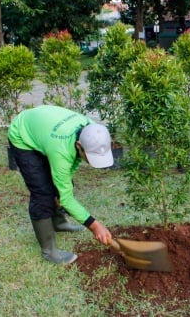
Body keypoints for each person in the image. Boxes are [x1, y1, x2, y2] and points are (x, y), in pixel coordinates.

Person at [8, 105, 114, 264]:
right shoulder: (61, 150)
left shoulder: (92, 131)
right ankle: (49, 251)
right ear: (79, 146)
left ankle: (59, 223)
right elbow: (66, 198)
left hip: (46, 131)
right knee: (42, 193)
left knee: (62, 185)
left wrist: (60, 191)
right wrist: (94, 225)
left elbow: (73, 165)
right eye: (89, 156)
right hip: (23, 134)